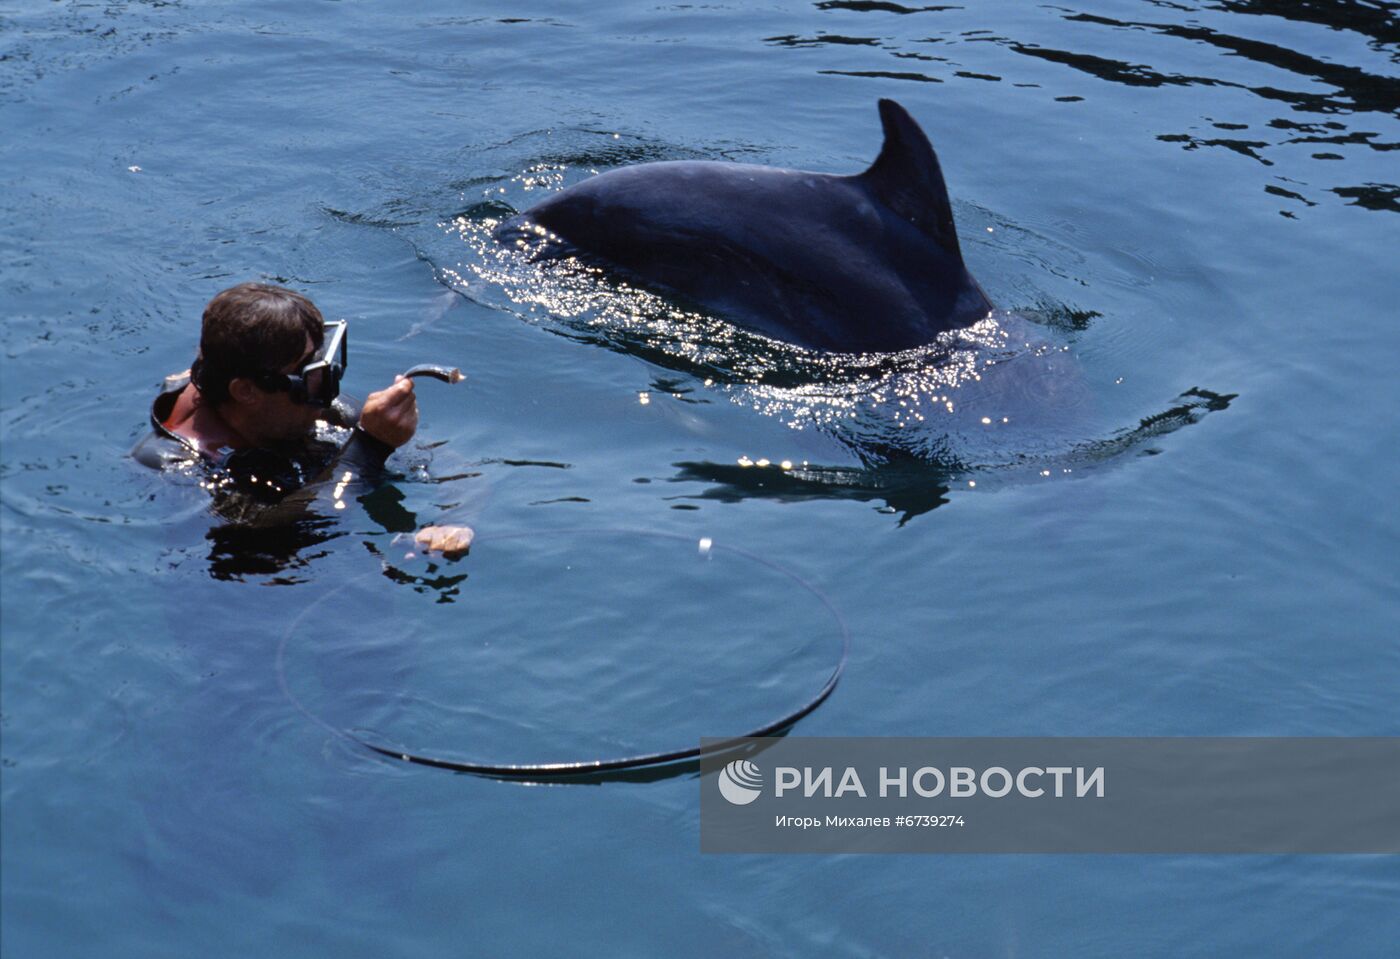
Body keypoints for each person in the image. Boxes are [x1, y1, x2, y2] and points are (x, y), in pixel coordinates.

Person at [133, 282, 473, 557]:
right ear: (245, 392)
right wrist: (369, 446)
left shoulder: (292, 399)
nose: (326, 394)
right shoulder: (174, 466)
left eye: (324, 366)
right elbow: (264, 538)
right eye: (310, 375)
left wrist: (453, 520)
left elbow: (447, 463)